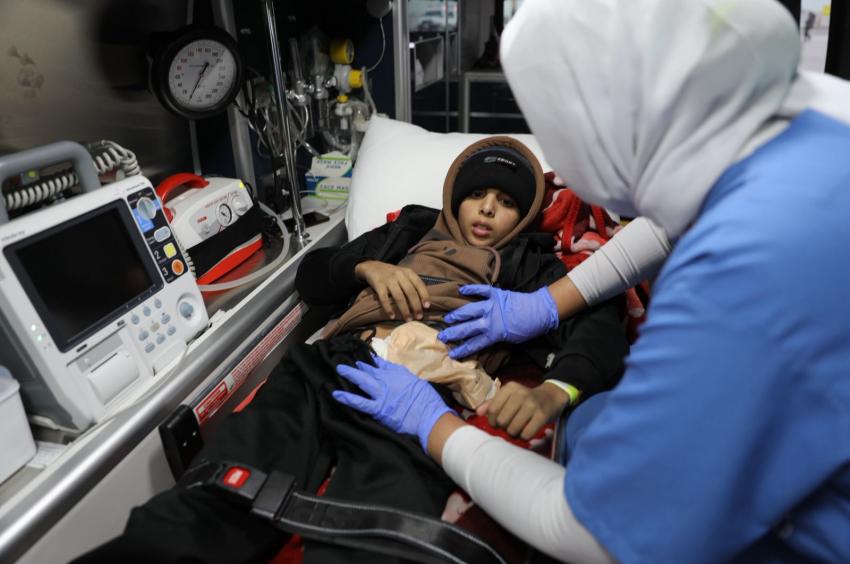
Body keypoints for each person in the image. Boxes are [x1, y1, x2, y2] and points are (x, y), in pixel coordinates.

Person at [332, 0, 850, 562]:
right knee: (594, 425)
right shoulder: (814, 119)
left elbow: (594, 535)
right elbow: (663, 228)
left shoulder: (741, 274)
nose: (487, 209)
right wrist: (545, 306)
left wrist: (435, 426)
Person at [75, 137, 627, 564]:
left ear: (523, 216)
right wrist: (365, 267)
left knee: (377, 534)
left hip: (419, 397)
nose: (485, 210)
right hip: (333, 365)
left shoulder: (531, 266)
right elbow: (312, 278)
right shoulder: (411, 229)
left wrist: (555, 390)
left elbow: (601, 325)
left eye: (505, 203)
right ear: (454, 198)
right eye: (476, 195)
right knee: (215, 498)